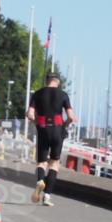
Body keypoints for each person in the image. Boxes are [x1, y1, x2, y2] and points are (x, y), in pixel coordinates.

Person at [27, 73, 75, 207]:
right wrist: (64, 125)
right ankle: (47, 196)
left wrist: (37, 121)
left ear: (46, 81)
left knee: (41, 162)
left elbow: (29, 114)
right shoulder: (63, 95)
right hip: (57, 130)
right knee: (54, 163)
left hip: (43, 128)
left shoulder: (37, 94)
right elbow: (71, 116)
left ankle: (39, 181)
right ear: (58, 82)